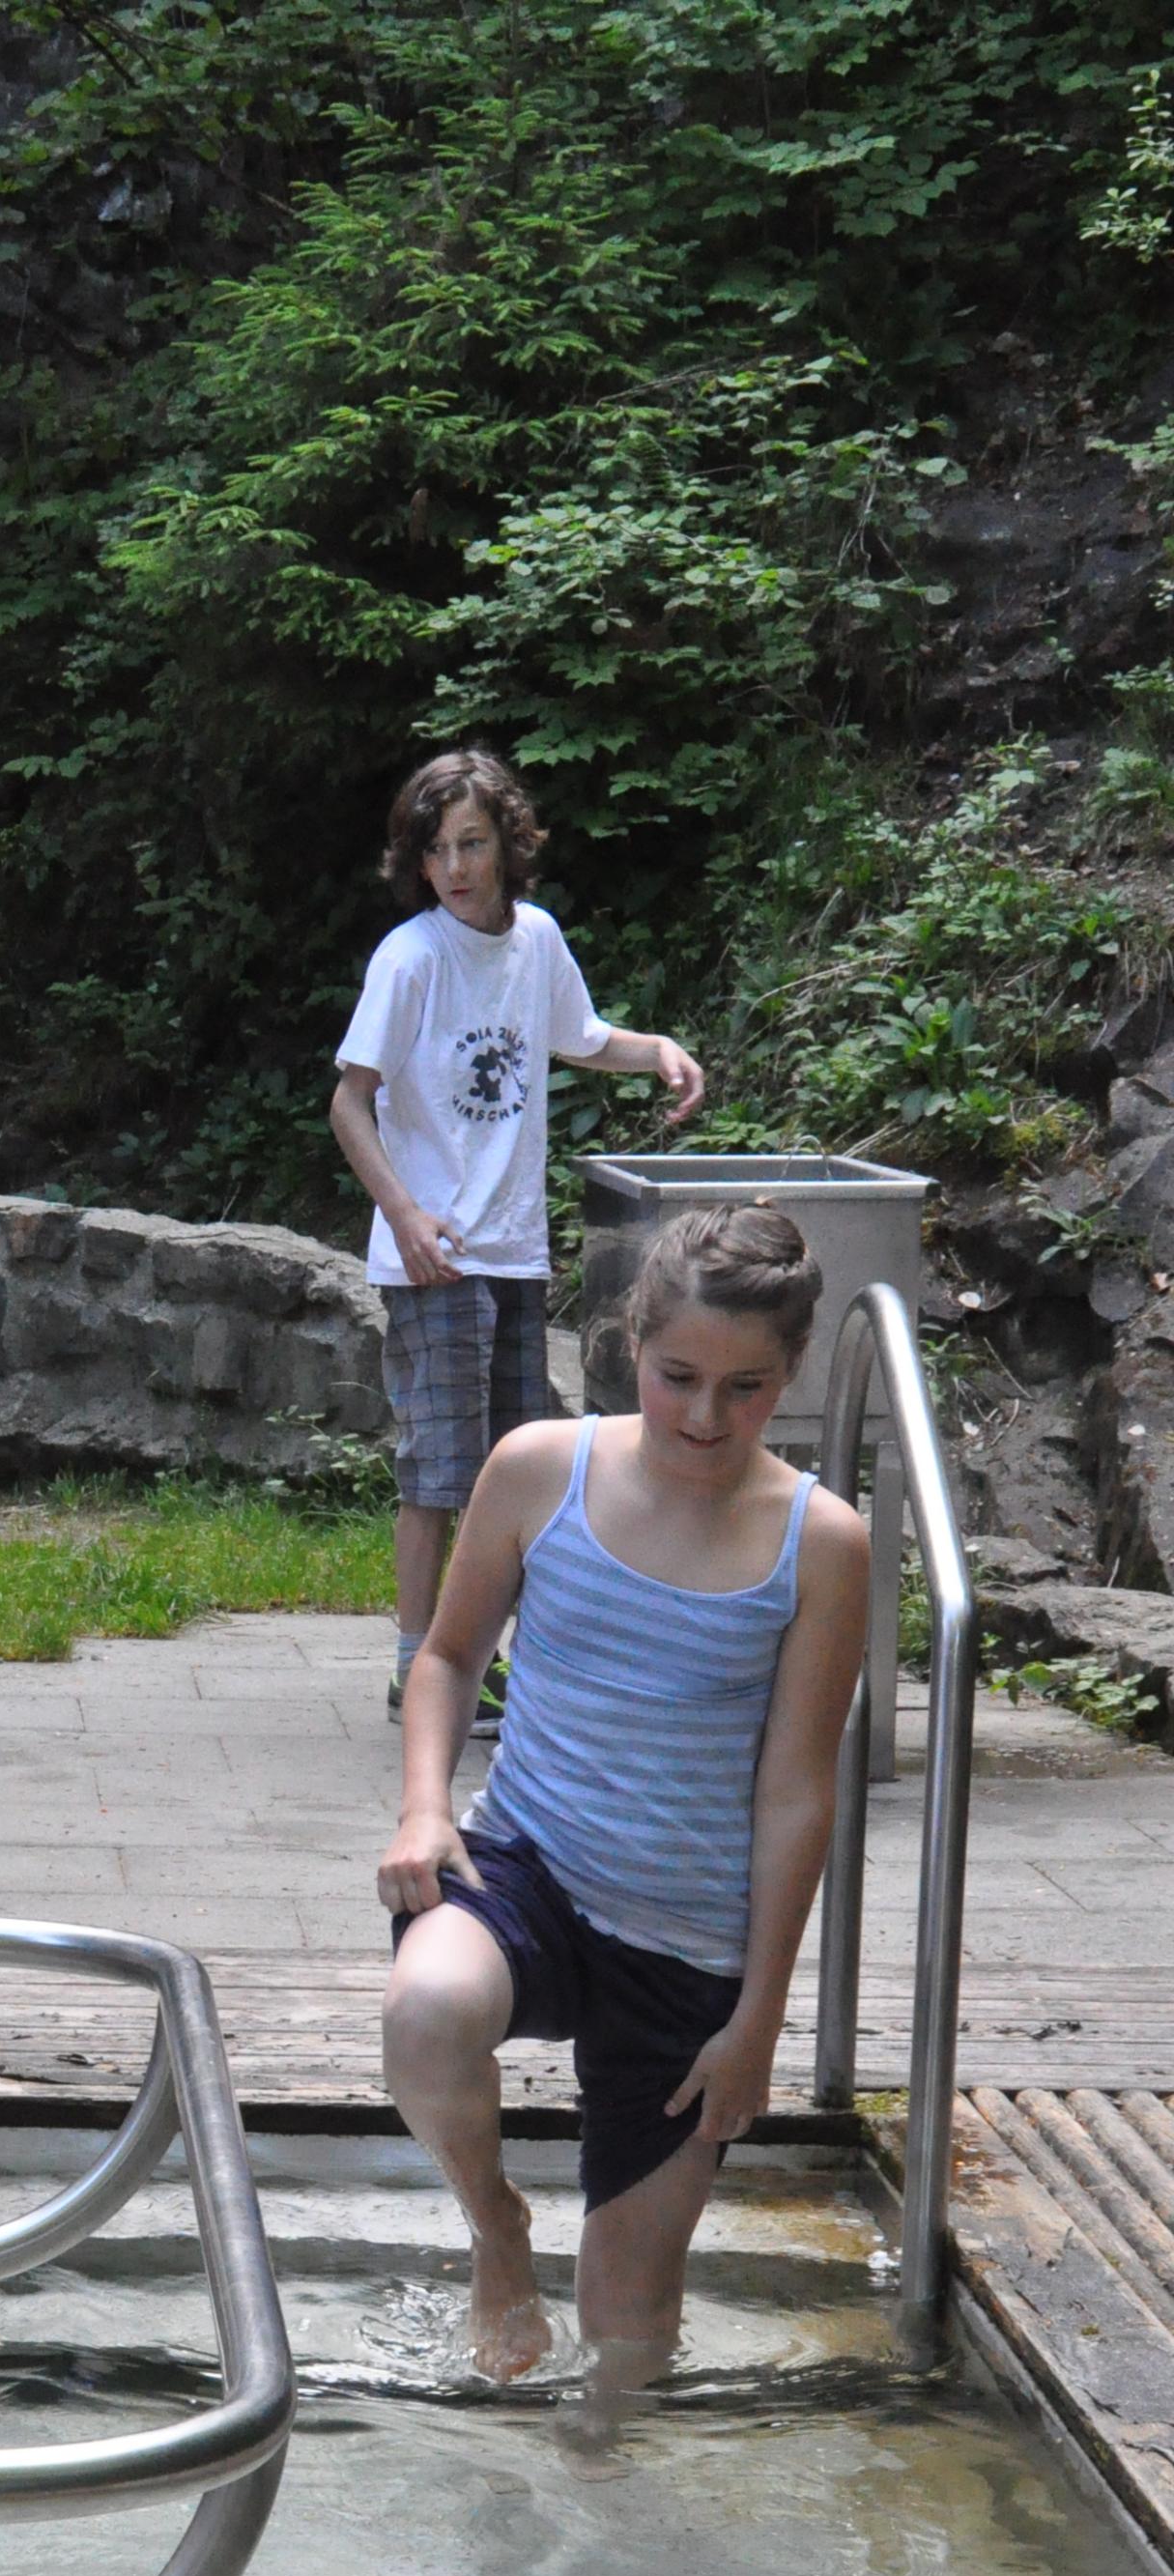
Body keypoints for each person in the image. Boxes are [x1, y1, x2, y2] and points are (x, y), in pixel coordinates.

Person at [377, 1203, 868, 2403]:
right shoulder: (537, 1469)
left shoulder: (820, 1543)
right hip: (523, 1873)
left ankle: (594, 2505)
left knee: (628, 2335)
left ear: (791, 1371)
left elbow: (796, 1795)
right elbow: (445, 1656)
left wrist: (756, 2021)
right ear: (629, 1345)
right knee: (426, 2010)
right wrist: (423, 1809)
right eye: (676, 1377)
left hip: (687, 1946)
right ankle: (495, 2226)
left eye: (744, 1388)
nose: (704, 1417)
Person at [332, 749, 706, 1727]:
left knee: (511, 1470)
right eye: (435, 851)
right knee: (438, 1472)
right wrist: (404, 1215)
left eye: (471, 844)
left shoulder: (535, 939)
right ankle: (417, 1666)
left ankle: (486, 1660)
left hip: (513, 1252)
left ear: (506, 843)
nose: (454, 868)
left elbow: (582, 1037)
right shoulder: (410, 958)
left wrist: (658, 1053)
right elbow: (348, 1104)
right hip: (435, 1256)